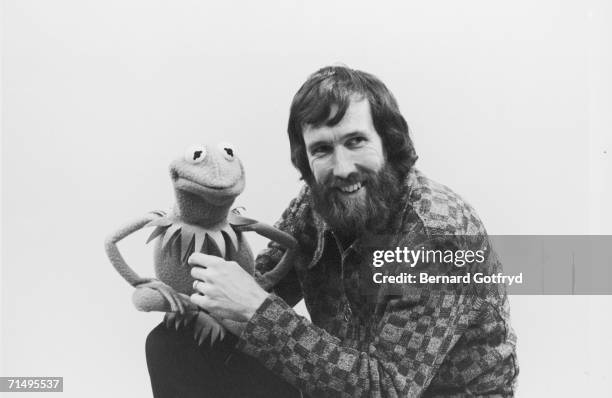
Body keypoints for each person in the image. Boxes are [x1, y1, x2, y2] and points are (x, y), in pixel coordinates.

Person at [146, 65, 518, 397]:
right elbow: (262, 284)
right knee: (176, 343)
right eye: (322, 149)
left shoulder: (438, 235)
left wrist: (256, 311)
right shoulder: (315, 205)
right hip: (343, 384)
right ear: (305, 159)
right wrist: (198, 298)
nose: (342, 168)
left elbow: (385, 389)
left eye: (355, 141)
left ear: (388, 142)